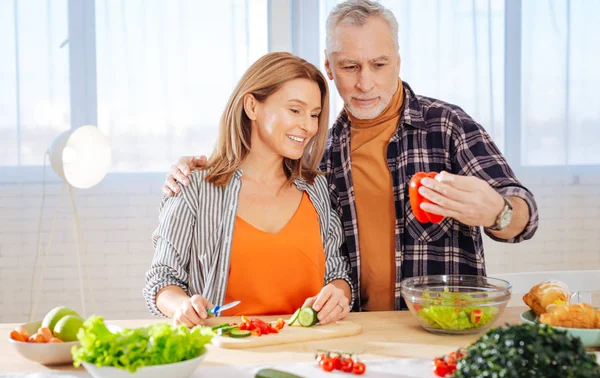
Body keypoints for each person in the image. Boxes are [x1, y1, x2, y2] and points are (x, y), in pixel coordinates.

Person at [162, 0, 539, 312]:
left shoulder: (446, 126)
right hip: (358, 335)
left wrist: (498, 212)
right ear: (329, 67)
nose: (365, 82)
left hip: (441, 328)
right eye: (350, 67)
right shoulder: (319, 154)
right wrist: (197, 170)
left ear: (398, 62)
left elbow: (525, 218)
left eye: (379, 64)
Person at [143, 52, 354, 327]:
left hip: (309, 351)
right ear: (252, 107)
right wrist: (182, 306)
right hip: (229, 352)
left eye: (314, 115)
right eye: (295, 110)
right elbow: (162, 278)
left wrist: (338, 296)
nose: (308, 126)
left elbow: (337, 272)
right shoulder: (194, 187)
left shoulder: (317, 189)